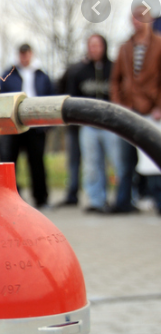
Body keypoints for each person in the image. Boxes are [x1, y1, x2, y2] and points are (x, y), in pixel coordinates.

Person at [109, 6, 161, 213]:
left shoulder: (158, 44)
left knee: (153, 158)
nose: (136, 21)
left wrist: (159, 106)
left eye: (140, 17)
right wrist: (119, 103)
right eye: (133, 18)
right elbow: (115, 80)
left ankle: (158, 200)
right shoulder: (124, 47)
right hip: (128, 111)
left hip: (151, 110)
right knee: (125, 159)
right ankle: (123, 201)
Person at [0, 44, 54, 209]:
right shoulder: (8, 74)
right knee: (9, 162)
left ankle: (41, 199)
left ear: (31, 54)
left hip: (35, 125)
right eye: (21, 54)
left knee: (37, 162)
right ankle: (10, 197)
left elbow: (50, 96)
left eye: (27, 53)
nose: (24, 57)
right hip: (13, 124)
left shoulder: (42, 75)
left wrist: (47, 125)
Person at [69, 34, 116, 214]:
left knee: (117, 162)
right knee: (91, 165)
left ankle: (124, 198)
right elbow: (71, 97)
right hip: (88, 126)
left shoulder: (114, 68)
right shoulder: (78, 71)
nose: (94, 49)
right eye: (91, 45)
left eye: (98, 45)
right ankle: (96, 200)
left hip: (112, 125)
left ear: (104, 46)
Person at [55, 63, 82, 207]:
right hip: (73, 125)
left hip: (82, 124)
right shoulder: (72, 71)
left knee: (88, 163)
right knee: (73, 162)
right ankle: (72, 193)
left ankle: (95, 198)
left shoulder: (79, 71)